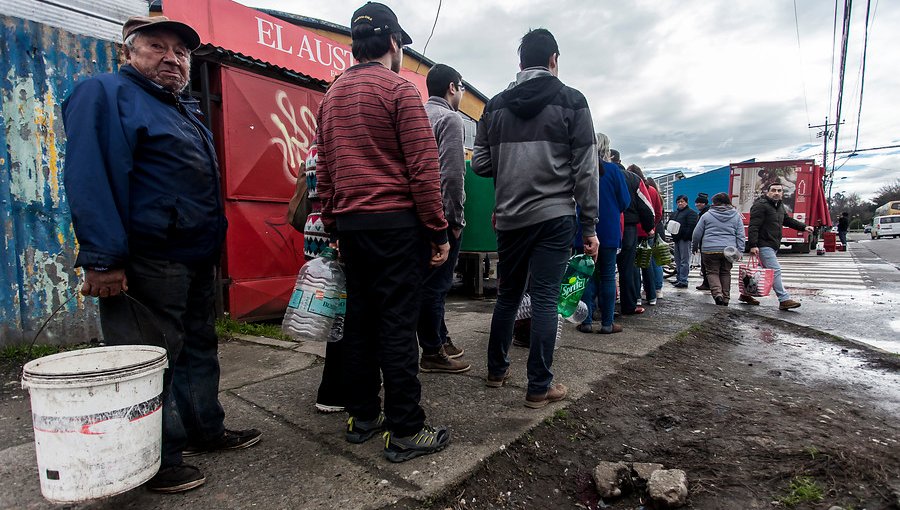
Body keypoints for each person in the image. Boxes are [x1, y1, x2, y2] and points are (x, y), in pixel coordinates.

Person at [62, 16, 260, 493]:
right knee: (149, 361)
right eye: (157, 47)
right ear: (129, 51)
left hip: (191, 257)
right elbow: (91, 178)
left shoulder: (181, 108)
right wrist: (103, 260)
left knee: (197, 347)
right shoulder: (105, 94)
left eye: (181, 51)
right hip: (148, 259)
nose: (172, 58)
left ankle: (204, 431)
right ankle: (157, 457)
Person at [314, 2, 451, 462]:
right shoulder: (400, 91)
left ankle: (363, 417)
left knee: (360, 323)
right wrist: (437, 230)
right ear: (392, 42)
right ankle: (407, 429)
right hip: (396, 226)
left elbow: (325, 169)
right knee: (396, 324)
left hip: (352, 227)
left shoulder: (331, 96)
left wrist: (333, 224)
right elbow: (423, 168)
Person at [472, 28, 599, 409]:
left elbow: (479, 162)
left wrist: (509, 167)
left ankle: (496, 371)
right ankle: (538, 387)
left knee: (507, 296)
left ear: (520, 62)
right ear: (554, 60)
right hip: (554, 216)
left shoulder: (493, 107)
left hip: (510, 217)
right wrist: (589, 225)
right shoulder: (573, 101)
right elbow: (586, 169)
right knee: (545, 297)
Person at [416, 63, 470, 374]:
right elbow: (452, 174)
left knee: (426, 283)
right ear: (452, 87)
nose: (462, 93)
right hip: (440, 216)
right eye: (462, 88)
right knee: (437, 285)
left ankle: (440, 337)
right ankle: (433, 351)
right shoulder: (450, 118)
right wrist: (455, 220)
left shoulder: (417, 113)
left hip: (413, 215)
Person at [576, 133, 629, 334]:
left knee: (584, 274)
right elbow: (625, 202)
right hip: (607, 230)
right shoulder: (614, 171)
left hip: (581, 230)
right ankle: (607, 323)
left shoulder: (579, 168)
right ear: (606, 148)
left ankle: (586, 320)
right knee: (607, 275)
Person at [740, 180, 813, 310]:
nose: (776, 193)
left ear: (782, 193)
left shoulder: (779, 206)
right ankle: (783, 299)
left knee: (756, 272)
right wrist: (753, 245)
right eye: (773, 190)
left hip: (773, 244)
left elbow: (787, 220)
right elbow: (753, 226)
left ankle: (745, 294)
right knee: (775, 270)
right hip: (763, 244)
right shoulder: (761, 205)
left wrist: (804, 227)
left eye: (779, 191)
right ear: (768, 192)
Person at [691, 192, 745, 306]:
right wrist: (740, 251)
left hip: (709, 249)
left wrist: (694, 246)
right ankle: (726, 298)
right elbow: (740, 235)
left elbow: (696, 233)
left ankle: (717, 295)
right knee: (726, 273)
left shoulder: (707, 215)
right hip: (729, 250)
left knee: (712, 272)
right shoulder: (736, 215)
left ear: (714, 203)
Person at [618, 161, 656, 314]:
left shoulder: (599, 173)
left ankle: (600, 305)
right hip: (629, 228)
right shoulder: (633, 179)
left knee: (603, 269)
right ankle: (629, 305)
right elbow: (646, 207)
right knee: (627, 268)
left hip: (604, 226)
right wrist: (649, 227)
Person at [629, 165, 662, 307]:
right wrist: (652, 226)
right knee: (647, 263)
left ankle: (636, 297)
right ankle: (652, 296)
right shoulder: (653, 191)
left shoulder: (632, 187)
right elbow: (659, 212)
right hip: (648, 231)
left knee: (634, 265)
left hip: (633, 230)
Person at [669, 195, 698, 288]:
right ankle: (679, 278)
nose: (680, 203)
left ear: (686, 202)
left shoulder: (691, 213)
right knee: (678, 260)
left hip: (685, 239)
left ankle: (683, 280)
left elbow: (692, 226)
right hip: (676, 239)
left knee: (684, 260)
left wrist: (685, 236)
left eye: (682, 201)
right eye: (678, 202)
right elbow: (669, 223)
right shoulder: (675, 213)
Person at [694, 193, 711, 291]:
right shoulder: (703, 212)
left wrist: (695, 245)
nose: (696, 205)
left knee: (706, 265)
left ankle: (707, 284)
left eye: (698, 203)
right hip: (707, 242)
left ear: (704, 203)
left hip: (706, 242)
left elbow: (699, 230)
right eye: (696, 203)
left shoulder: (705, 214)